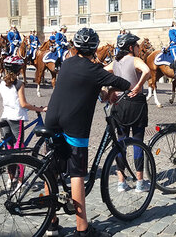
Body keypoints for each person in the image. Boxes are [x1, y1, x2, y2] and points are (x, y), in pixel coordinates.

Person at [45, 28, 130, 237]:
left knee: (51, 172)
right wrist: (110, 91)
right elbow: (125, 83)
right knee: (76, 174)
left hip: (52, 119)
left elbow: (84, 85)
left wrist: (101, 90)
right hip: (74, 124)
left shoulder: (67, 62)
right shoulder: (94, 70)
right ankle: (82, 229)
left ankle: (51, 223)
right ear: (94, 48)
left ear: (76, 46)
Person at [104, 33, 151, 192]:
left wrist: (109, 90)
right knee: (138, 142)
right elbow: (147, 71)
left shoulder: (115, 62)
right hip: (135, 104)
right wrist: (138, 86)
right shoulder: (136, 60)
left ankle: (121, 182)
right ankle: (139, 182)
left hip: (119, 104)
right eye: (137, 46)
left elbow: (102, 73)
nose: (139, 48)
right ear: (131, 47)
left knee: (120, 143)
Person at [0, 56, 46, 189]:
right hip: (16, 118)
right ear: (19, 69)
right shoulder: (19, 84)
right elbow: (23, 104)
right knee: (20, 151)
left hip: (5, 116)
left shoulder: (2, 82)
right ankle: (21, 182)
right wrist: (39, 109)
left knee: (9, 151)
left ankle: (10, 179)